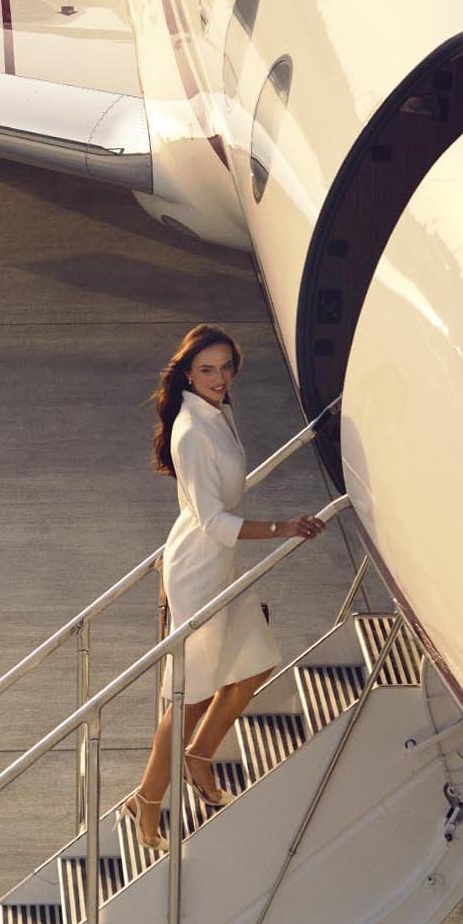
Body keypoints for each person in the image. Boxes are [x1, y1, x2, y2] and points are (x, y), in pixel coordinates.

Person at [132, 324, 325, 851]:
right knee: (191, 694)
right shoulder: (191, 430)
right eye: (207, 370)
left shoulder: (217, 412)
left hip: (220, 565)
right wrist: (283, 527)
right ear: (188, 374)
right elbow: (214, 519)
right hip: (199, 569)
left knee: (254, 662)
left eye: (225, 367)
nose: (219, 378)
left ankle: (199, 756)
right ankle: (147, 800)